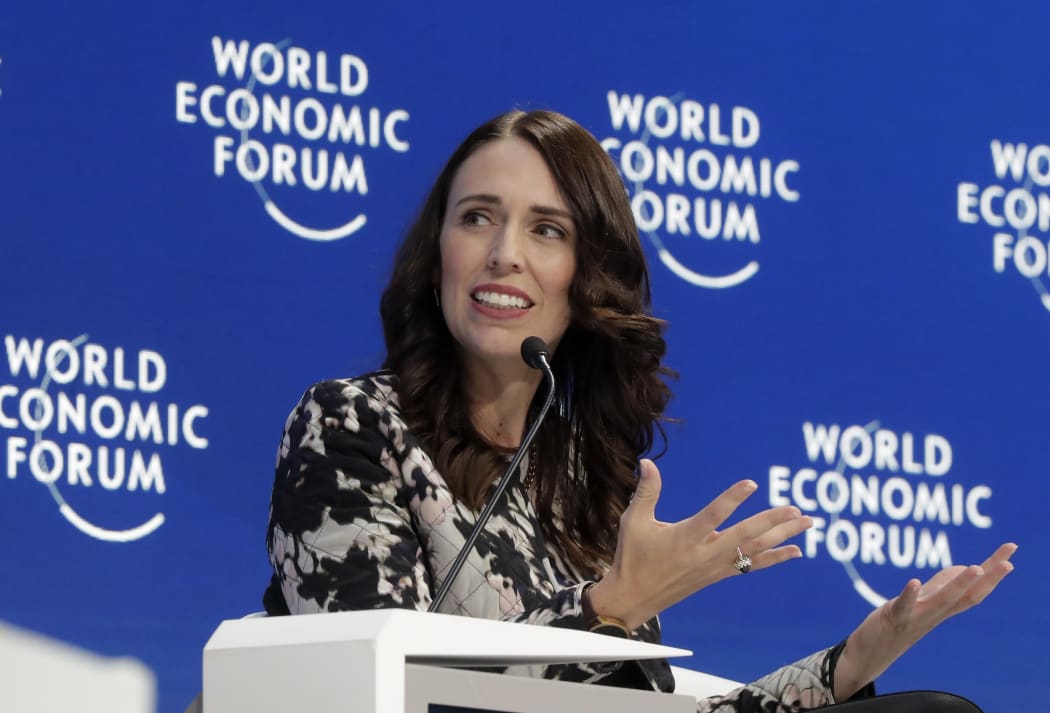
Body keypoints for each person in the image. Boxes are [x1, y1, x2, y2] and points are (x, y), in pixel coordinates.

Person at [263, 109, 1016, 711]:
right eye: (477, 217)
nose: (503, 253)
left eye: (546, 230)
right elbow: (373, 682)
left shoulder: (585, 479)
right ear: (438, 257)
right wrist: (614, 604)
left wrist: (849, 662)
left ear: (587, 280)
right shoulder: (352, 424)